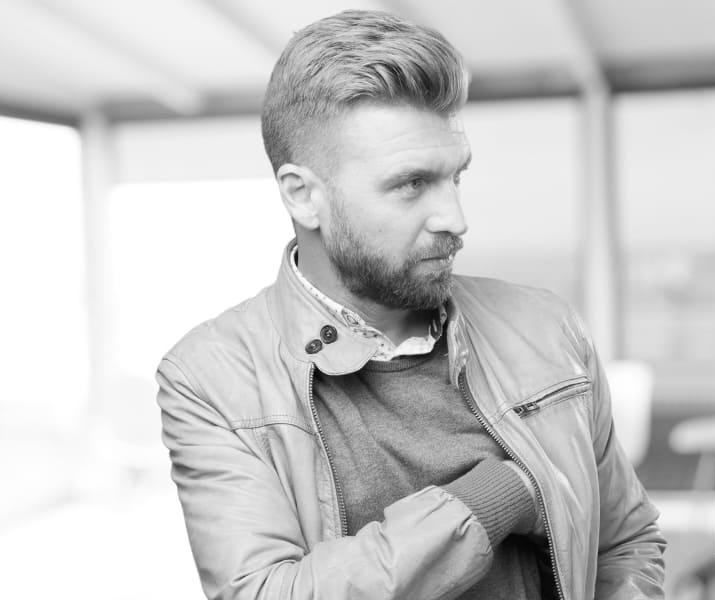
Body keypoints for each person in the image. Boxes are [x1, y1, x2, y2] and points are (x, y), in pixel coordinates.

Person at [156, 9, 666, 600]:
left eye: (456, 178)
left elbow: (626, 540)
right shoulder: (211, 377)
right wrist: (492, 499)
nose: (456, 219)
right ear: (303, 196)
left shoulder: (547, 329)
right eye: (411, 184)